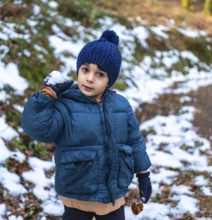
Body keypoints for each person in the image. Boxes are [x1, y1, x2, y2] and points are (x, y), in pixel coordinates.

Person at [21, 30, 152, 220]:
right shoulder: (66, 105)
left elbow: (134, 141)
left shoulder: (121, 106)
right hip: (77, 193)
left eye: (100, 74)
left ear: (109, 80)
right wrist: (47, 96)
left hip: (112, 196)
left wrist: (143, 174)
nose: (90, 78)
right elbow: (37, 127)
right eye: (85, 70)